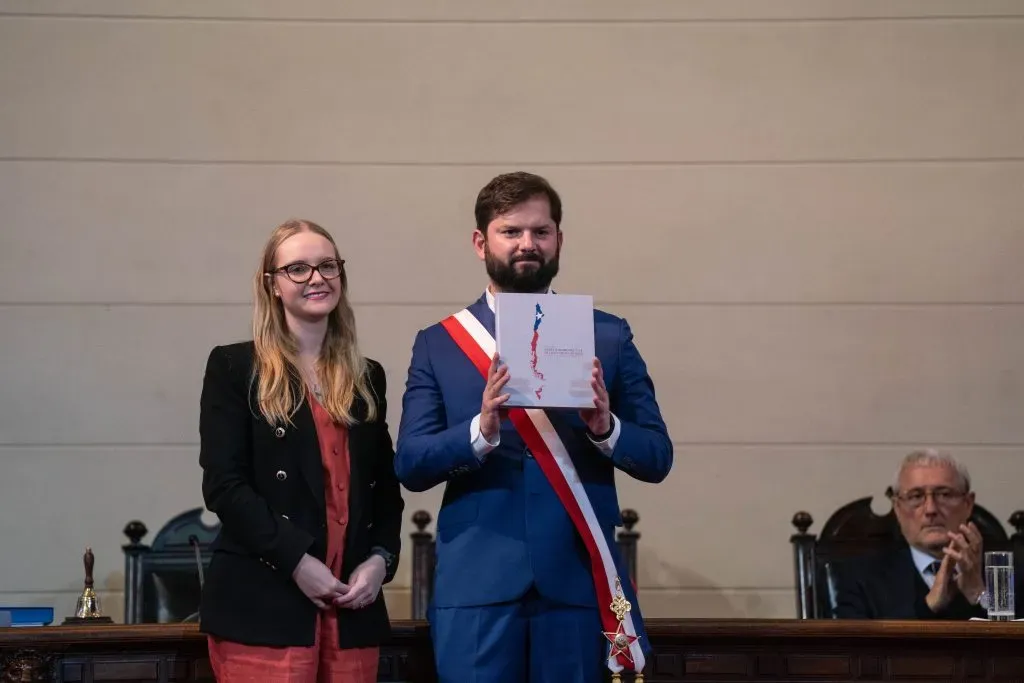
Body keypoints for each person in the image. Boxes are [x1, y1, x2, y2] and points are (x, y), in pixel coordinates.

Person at [395, 172, 673, 682]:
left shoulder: (607, 336)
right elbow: (410, 464)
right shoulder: (439, 343)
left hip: (576, 584)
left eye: (541, 231)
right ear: (481, 242)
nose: (528, 243)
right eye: (511, 231)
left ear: (559, 239)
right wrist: (480, 429)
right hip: (476, 589)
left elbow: (657, 456)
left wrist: (605, 427)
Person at [197, 219, 404, 682]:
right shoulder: (235, 367)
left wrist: (379, 560)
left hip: (351, 602)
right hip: (267, 599)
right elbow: (224, 487)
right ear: (271, 284)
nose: (317, 278)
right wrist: (296, 560)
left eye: (328, 265)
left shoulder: (367, 376)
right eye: (298, 269)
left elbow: (385, 492)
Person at [834, 449, 991, 619]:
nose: (930, 509)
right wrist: (929, 604)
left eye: (944, 495)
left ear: (968, 504)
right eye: (916, 497)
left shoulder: (1011, 572)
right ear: (897, 508)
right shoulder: (859, 579)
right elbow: (856, 644)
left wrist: (980, 595)